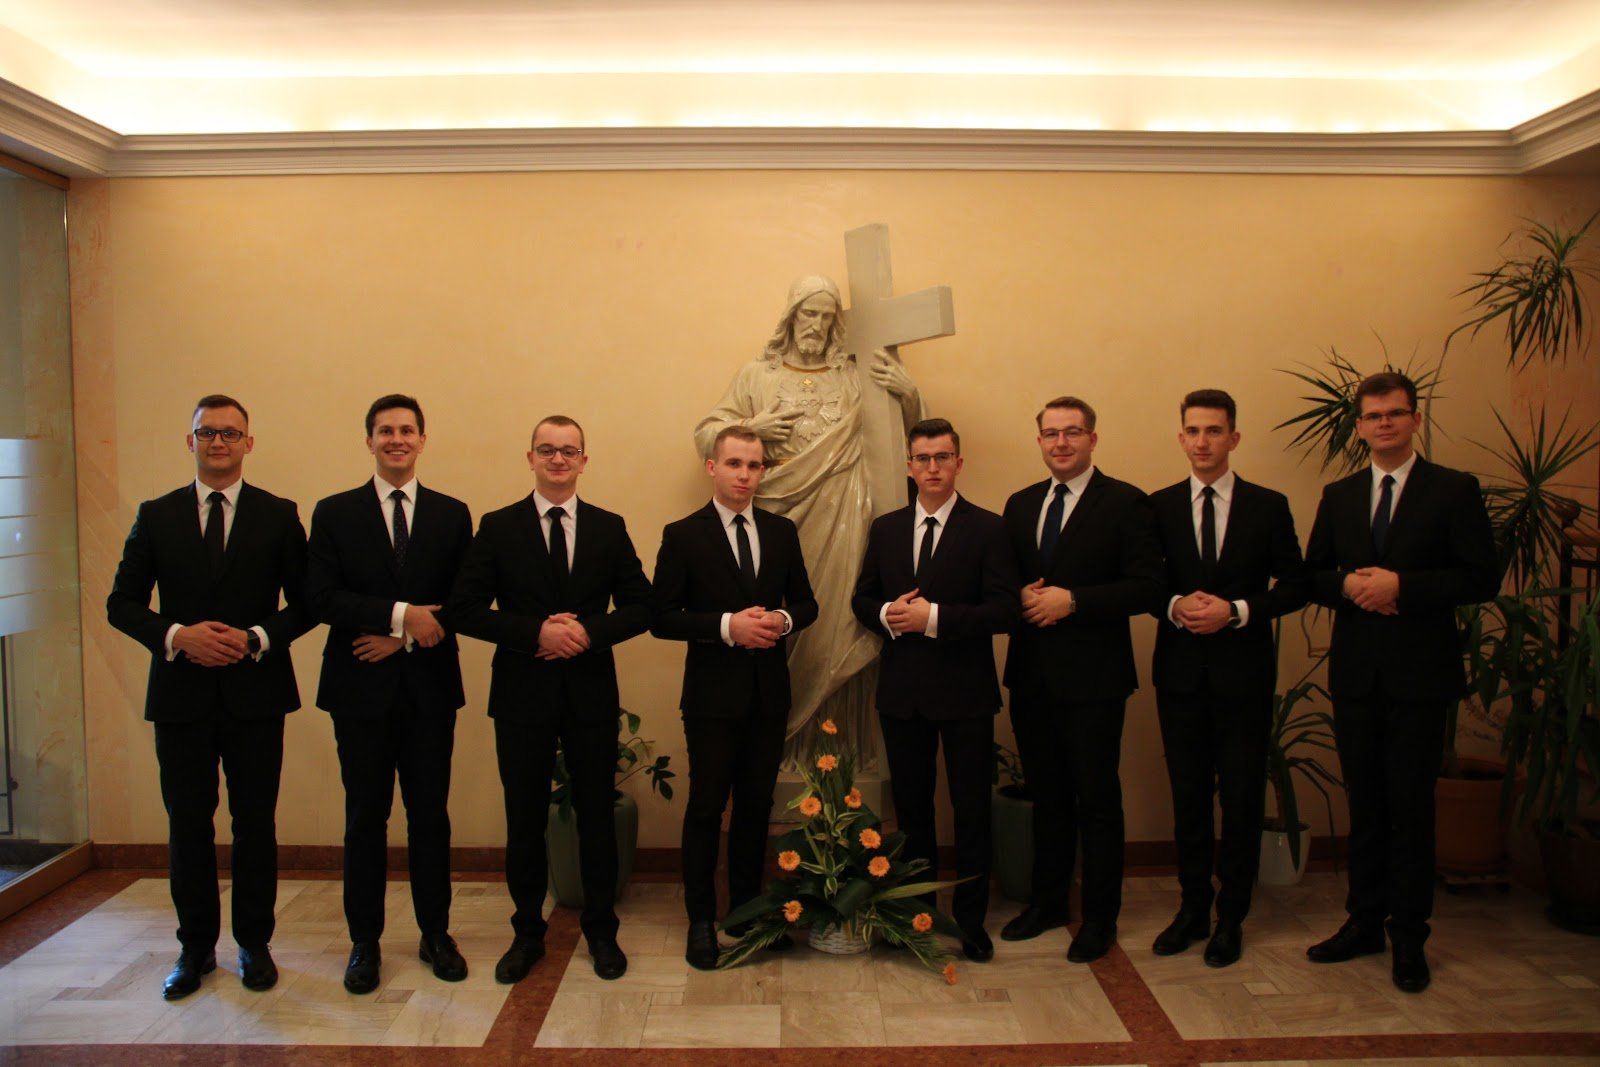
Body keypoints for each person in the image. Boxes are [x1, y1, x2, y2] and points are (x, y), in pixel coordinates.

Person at [106, 394, 311, 999]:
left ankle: (254, 943)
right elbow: (121, 603)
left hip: (256, 694)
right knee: (188, 824)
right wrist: (177, 635)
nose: (218, 442)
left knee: (255, 823)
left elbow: (308, 603)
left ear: (249, 442)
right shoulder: (157, 515)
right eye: (207, 433)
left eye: (229, 433)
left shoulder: (279, 514)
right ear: (190, 441)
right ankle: (194, 948)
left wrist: (255, 637)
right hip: (181, 697)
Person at [1303, 371, 1497, 993]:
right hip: (1357, 674)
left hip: (1420, 676)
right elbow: (1312, 575)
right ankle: (1363, 922)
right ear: (1359, 426)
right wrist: (1349, 585)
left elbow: (1481, 577)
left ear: (1414, 419)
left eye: (1395, 413)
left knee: (1411, 809)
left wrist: (1402, 587)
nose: (1384, 423)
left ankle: (1409, 937)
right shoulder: (1339, 494)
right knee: (1365, 805)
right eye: (1373, 416)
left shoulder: (1453, 490)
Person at [448, 415, 651, 983]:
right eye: (547, 450)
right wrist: (535, 632)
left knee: (596, 815)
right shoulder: (498, 526)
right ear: (530, 457)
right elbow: (463, 609)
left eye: (569, 450)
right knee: (523, 819)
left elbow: (642, 606)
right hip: (522, 694)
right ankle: (526, 933)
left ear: (584, 460)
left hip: (589, 693)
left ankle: (601, 930)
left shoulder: (608, 527)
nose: (558, 459)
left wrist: (586, 632)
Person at [696, 275, 922, 764]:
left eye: (825, 315)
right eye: (808, 313)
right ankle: (781, 747)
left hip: (844, 511)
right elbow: (706, 436)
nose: (816, 324)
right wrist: (749, 427)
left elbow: (903, 443)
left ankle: (838, 754)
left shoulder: (853, 375)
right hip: (774, 515)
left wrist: (910, 397)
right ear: (791, 316)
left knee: (838, 621)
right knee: (779, 617)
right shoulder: (756, 375)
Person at [305, 394, 474, 993]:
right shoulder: (334, 512)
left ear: (422, 440)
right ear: (369, 441)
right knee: (364, 819)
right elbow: (320, 597)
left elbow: (464, 601)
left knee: (430, 817)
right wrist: (402, 616)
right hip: (358, 690)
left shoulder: (452, 514)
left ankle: (435, 933)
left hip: (429, 689)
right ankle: (364, 942)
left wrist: (397, 638)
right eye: (385, 431)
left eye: (406, 430)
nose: (396, 439)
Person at [1148, 389, 1307, 967]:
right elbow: (1142, 584)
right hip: (1180, 677)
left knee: (1240, 800)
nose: (1202, 441)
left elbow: (1296, 585)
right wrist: (1173, 606)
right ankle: (1192, 909)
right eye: (1193, 430)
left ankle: (1231, 917)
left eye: (1214, 430)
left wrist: (1237, 611)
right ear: (1181, 438)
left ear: (1233, 437)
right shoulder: (1158, 507)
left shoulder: (1268, 506)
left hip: (1244, 677)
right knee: (1188, 798)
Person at [1000, 396, 1161, 963]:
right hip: (1032, 677)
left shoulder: (1125, 502)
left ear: (1093, 438)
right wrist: (1018, 593)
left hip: (1094, 680)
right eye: (1051, 433)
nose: (1061, 442)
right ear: (1040, 441)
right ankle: (1047, 903)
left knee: (1096, 799)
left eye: (1072, 432)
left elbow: (1147, 587)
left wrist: (1074, 602)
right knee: (1047, 796)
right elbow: (1004, 579)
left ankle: (1099, 917)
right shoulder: (1021, 504)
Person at [851, 417, 1018, 961]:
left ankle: (970, 922)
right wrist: (887, 614)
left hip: (966, 693)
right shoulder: (887, 528)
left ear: (958, 463)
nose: (932, 467)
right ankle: (916, 915)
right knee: (913, 812)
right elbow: (862, 599)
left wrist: (935, 618)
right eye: (922, 458)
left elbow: (1004, 610)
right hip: (903, 694)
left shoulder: (989, 528)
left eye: (942, 457)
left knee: (970, 811)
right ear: (909, 466)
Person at [651, 425, 818, 970]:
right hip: (711, 697)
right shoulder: (684, 534)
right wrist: (728, 626)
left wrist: (782, 620)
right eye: (734, 464)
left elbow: (807, 604)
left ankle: (748, 913)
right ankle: (701, 920)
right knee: (706, 807)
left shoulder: (781, 531)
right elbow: (661, 618)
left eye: (754, 465)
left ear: (762, 471)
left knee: (755, 806)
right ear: (712, 467)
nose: (744, 475)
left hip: (768, 695)